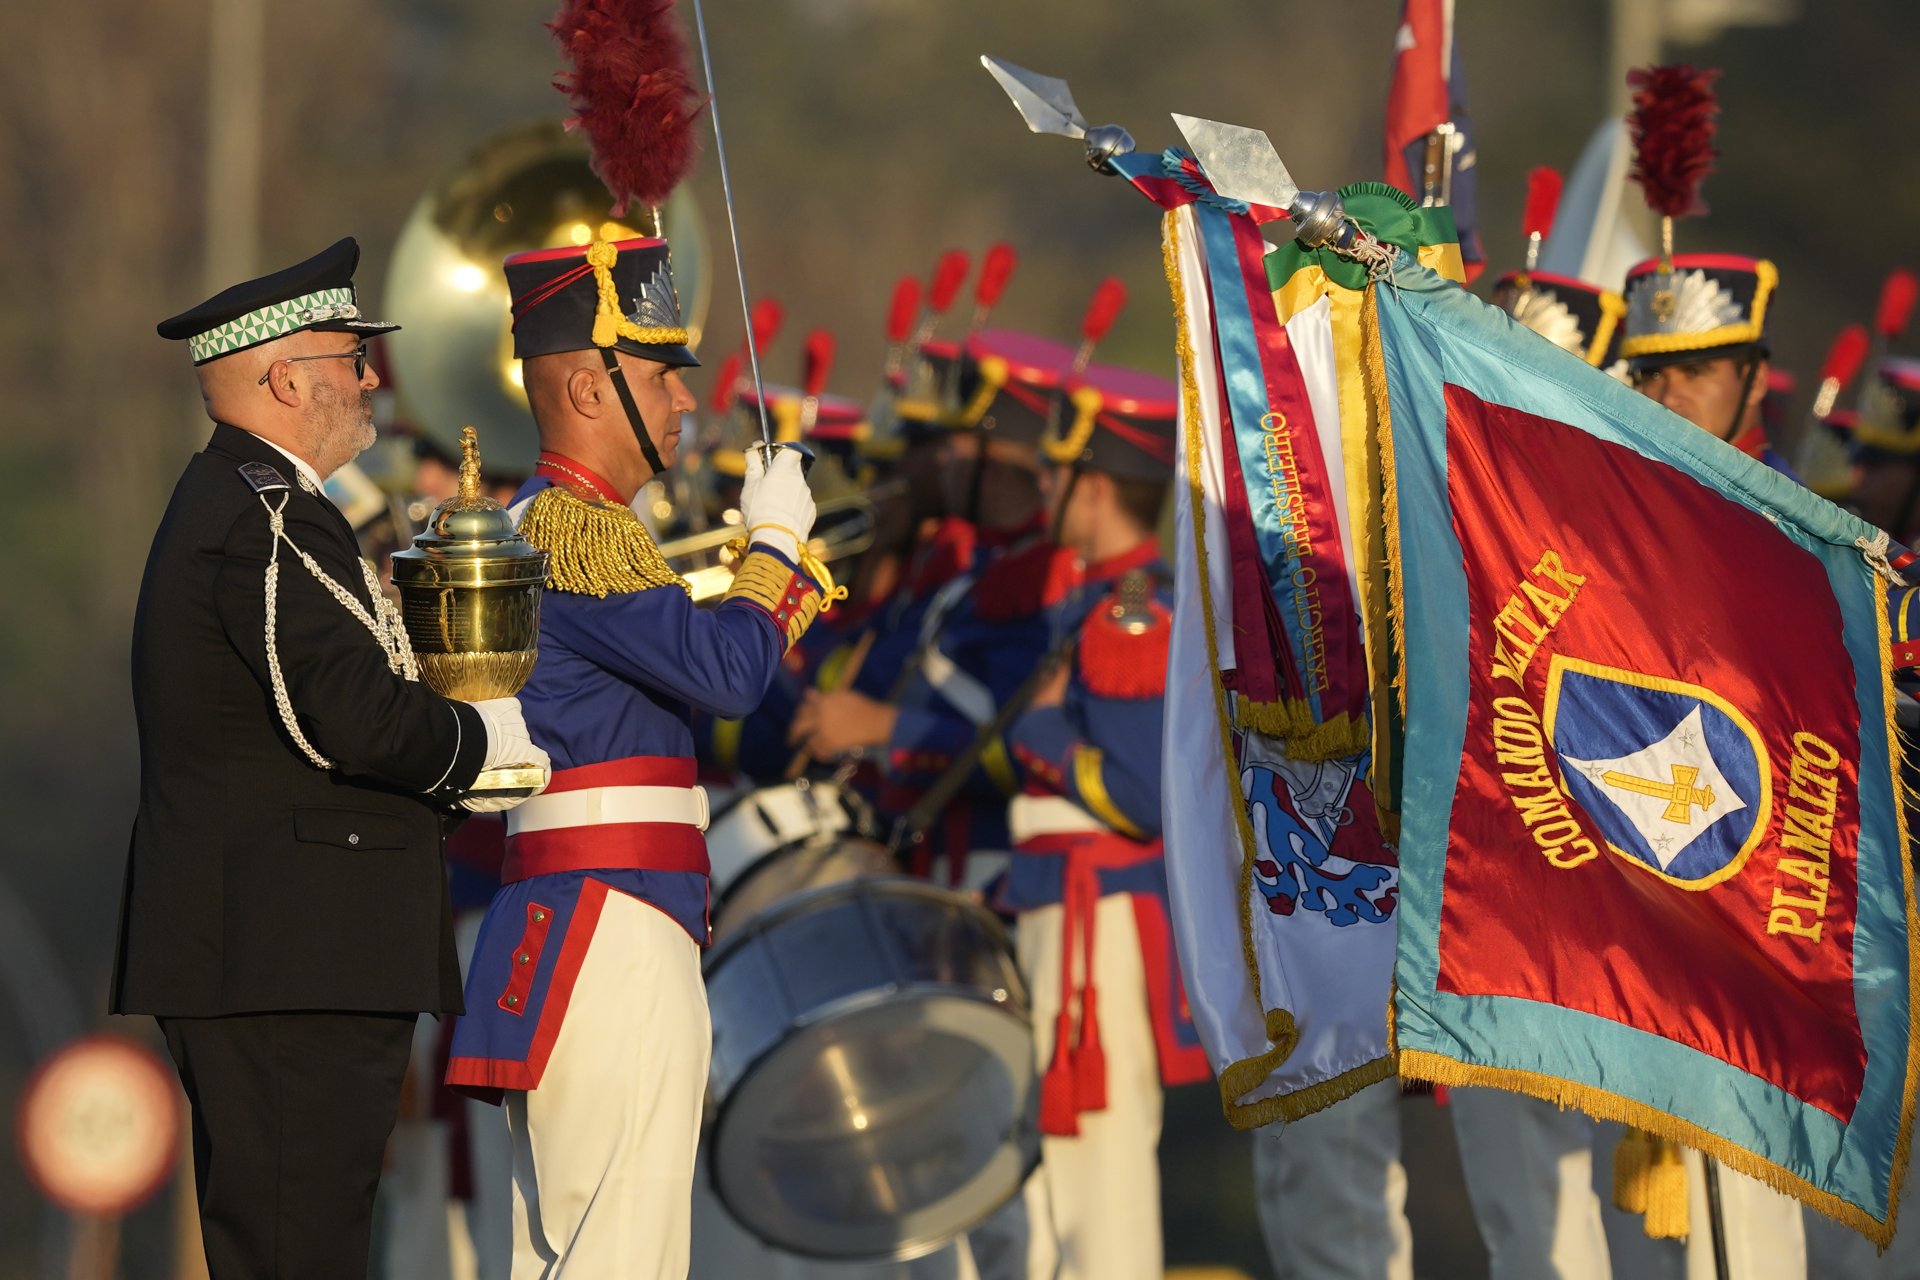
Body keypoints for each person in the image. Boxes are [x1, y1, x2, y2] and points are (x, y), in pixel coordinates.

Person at [114, 237, 550, 1280]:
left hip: (291, 945)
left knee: (303, 1240)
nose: (369, 377)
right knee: (296, 1245)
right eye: (350, 356)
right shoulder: (263, 517)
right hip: (290, 951)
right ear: (283, 378)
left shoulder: (270, 509)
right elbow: (348, 715)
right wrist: (482, 740)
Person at [443, 230, 829, 1279]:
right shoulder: (580, 529)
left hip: (567, 917)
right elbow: (727, 674)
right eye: (659, 377)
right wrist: (778, 548)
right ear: (583, 387)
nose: (681, 403)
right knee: (626, 1254)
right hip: (614, 921)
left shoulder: (542, 521)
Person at [1620, 243, 1808, 1280]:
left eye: (1693, 370)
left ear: (1752, 377)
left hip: (1761, 913)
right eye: (1651, 372)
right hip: (1645, 904)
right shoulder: (1620, 526)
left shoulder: (1802, 536)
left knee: (1750, 1226)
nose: (1667, 393)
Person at [998, 359, 1211, 1278]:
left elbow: (1138, 792)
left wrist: (1041, 730)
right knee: (1058, 1195)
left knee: (1101, 1190)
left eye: (1055, 476)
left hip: (1100, 918)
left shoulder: (1130, 613)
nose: (1041, 488)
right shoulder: (1093, 603)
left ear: (1092, 489)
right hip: (1060, 906)